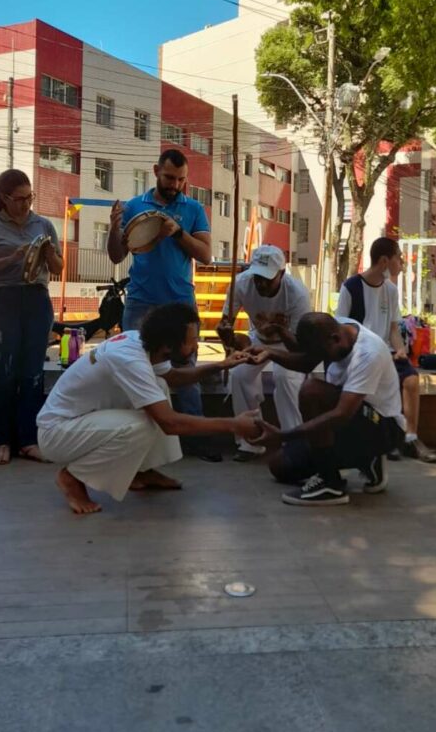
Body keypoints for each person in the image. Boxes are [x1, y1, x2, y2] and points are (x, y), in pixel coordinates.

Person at [36, 303, 261, 514]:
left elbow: (173, 377)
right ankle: (72, 478)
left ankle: (139, 472)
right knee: (144, 424)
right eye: (192, 340)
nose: (196, 346)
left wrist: (221, 365)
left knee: (159, 385)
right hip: (58, 433)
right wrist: (234, 424)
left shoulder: (143, 343)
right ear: (168, 345)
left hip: (79, 423)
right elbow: (170, 423)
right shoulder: (129, 360)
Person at [107, 148, 217, 459]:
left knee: (186, 369)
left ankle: (195, 439)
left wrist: (178, 232)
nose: (175, 185)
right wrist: (114, 227)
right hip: (141, 302)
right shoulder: (135, 206)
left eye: (181, 180)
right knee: (134, 369)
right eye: (169, 178)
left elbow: (205, 255)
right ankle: (135, 440)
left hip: (180, 303)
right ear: (156, 171)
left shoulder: (193, 208)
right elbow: (116, 255)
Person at [250, 312, 405, 506]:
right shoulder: (332, 330)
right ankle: (367, 459)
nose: (321, 359)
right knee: (279, 466)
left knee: (312, 391)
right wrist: (270, 352)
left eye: (323, 354)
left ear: (335, 339)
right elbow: (305, 362)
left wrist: (284, 435)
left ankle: (330, 483)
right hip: (351, 422)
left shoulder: (368, 354)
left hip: (383, 428)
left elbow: (341, 414)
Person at [0, 169, 63, 465]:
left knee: (33, 373)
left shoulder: (43, 224)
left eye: (29, 197)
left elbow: (58, 267)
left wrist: (49, 254)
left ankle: (29, 440)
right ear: (4, 198)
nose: (26, 204)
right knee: (6, 372)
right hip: (1, 300)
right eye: (19, 199)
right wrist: (12, 258)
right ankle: (1, 441)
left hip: (36, 299)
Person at [336, 236, 436, 464]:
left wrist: (400, 349)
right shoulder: (351, 287)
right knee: (373, 390)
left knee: (411, 380)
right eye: (398, 258)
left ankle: (410, 438)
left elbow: (393, 329)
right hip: (360, 356)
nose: (401, 263)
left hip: (386, 353)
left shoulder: (390, 290)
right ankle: (387, 440)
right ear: (384, 261)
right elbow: (340, 328)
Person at [216, 245, 311, 462]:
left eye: (267, 279)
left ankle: (293, 442)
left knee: (285, 377)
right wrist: (226, 335)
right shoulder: (240, 284)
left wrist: (278, 330)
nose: (261, 284)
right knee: (239, 375)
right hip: (258, 338)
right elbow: (226, 324)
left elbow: (299, 346)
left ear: (282, 274)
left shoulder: (297, 294)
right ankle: (251, 440)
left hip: (288, 343)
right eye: (257, 277)